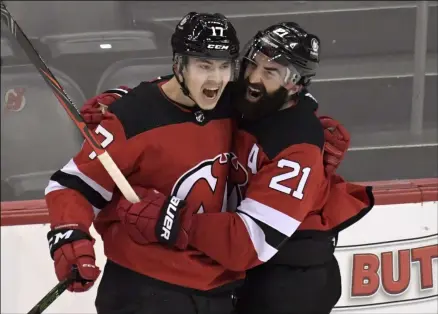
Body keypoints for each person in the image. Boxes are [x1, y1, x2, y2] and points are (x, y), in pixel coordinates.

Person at [81, 22, 374, 314]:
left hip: (292, 277)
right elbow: (179, 88)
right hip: (240, 271)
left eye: (270, 72)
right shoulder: (243, 97)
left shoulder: (298, 144)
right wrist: (123, 101)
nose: (253, 78)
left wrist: (171, 219)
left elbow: (249, 243)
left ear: (295, 83)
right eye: (251, 65)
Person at [44, 12, 246, 314]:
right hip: (146, 290)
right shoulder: (132, 117)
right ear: (179, 65)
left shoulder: (237, 107)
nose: (216, 78)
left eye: (224, 66)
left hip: (220, 290)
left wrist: (306, 131)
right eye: (204, 66)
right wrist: (71, 238)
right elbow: (71, 185)